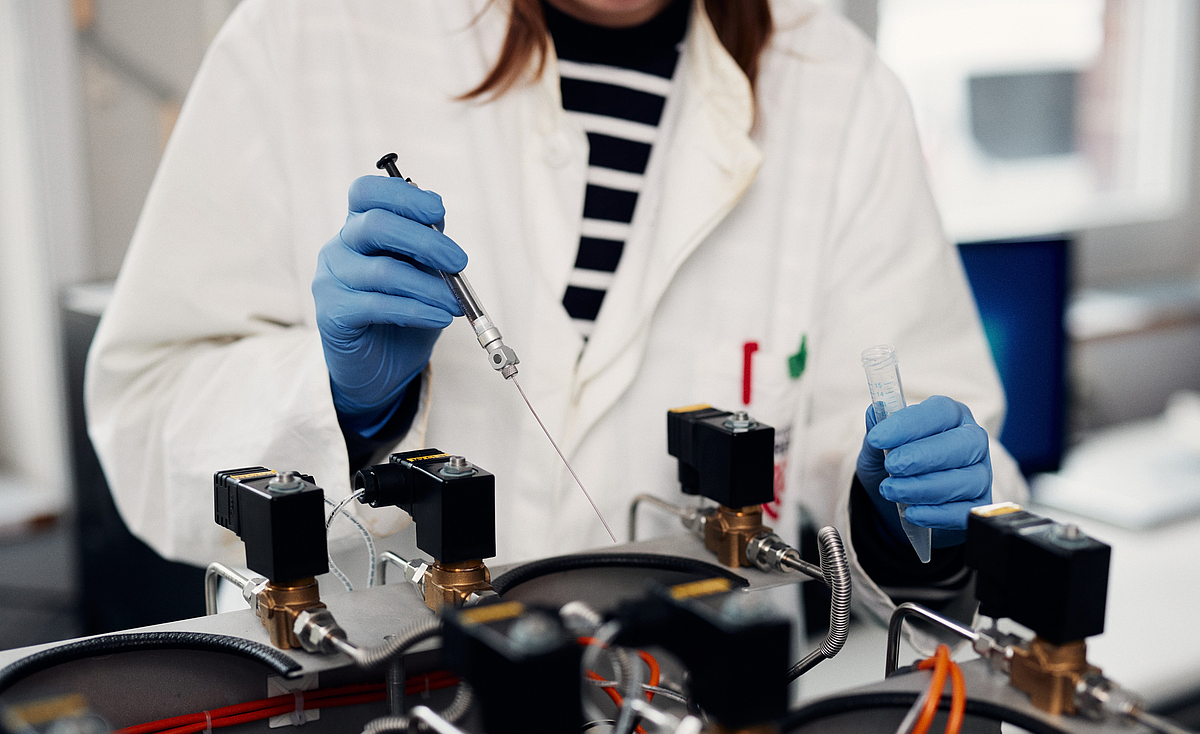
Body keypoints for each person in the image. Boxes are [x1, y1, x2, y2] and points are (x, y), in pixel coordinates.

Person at [85, 0, 1026, 631]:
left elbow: (903, 466)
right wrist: (338, 403)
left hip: (697, 730)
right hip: (372, 721)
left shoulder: (839, 91)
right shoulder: (308, 35)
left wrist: (897, 515)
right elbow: (146, 417)